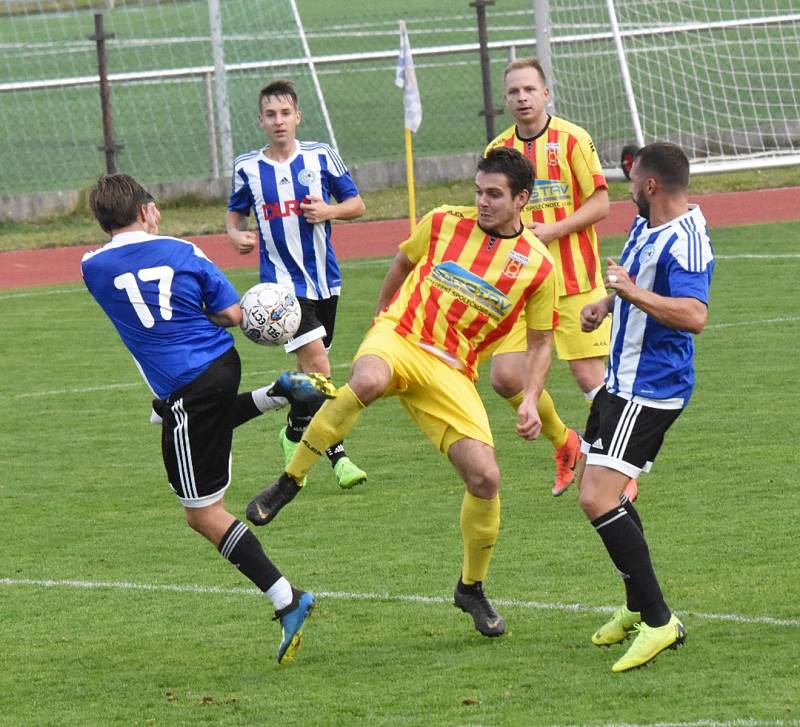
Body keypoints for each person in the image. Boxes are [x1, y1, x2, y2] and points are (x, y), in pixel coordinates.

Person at [245, 148, 558, 637]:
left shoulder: (538, 266)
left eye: (494, 195)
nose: (482, 202)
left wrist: (530, 397)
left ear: (521, 199)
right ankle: (290, 481)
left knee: (486, 478)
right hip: (401, 335)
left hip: (452, 370)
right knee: (365, 380)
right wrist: (381, 316)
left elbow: (540, 343)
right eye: (478, 191)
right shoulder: (442, 222)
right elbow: (400, 263)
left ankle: (470, 588)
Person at [81, 173, 335, 664]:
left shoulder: (91, 267)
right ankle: (279, 392)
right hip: (221, 365)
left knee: (201, 513)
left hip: (186, 389)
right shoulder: (182, 250)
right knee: (202, 425)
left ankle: (288, 600)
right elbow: (230, 315)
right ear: (148, 211)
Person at [578, 143, 714, 672]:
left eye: (632, 181)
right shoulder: (646, 225)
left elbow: (694, 314)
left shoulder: (687, 240)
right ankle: (638, 606)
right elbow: (630, 279)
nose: (626, 189)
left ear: (652, 185)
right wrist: (606, 302)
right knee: (604, 494)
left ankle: (659, 621)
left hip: (651, 388)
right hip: (621, 382)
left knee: (596, 498)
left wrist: (631, 295)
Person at [485, 58, 637, 501]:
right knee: (505, 377)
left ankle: (622, 471)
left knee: (592, 379)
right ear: (506, 99)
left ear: (546, 93)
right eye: (514, 92)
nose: (522, 97)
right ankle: (566, 444)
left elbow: (602, 204)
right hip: (523, 286)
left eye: (530, 89)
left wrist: (550, 230)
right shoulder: (500, 151)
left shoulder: (572, 139)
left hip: (574, 281)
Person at [226, 78, 368, 491]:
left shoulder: (322, 156)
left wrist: (330, 211)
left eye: (285, 113)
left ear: (297, 116)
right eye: (270, 114)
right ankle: (338, 456)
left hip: (326, 281)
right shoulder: (247, 168)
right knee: (321, 368)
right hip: (281, 291)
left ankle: (293, 432)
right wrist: (236, 236)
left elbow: (357, 204)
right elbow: (235, 216)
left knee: (309, 373)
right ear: (260, 121)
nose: (278, 121)